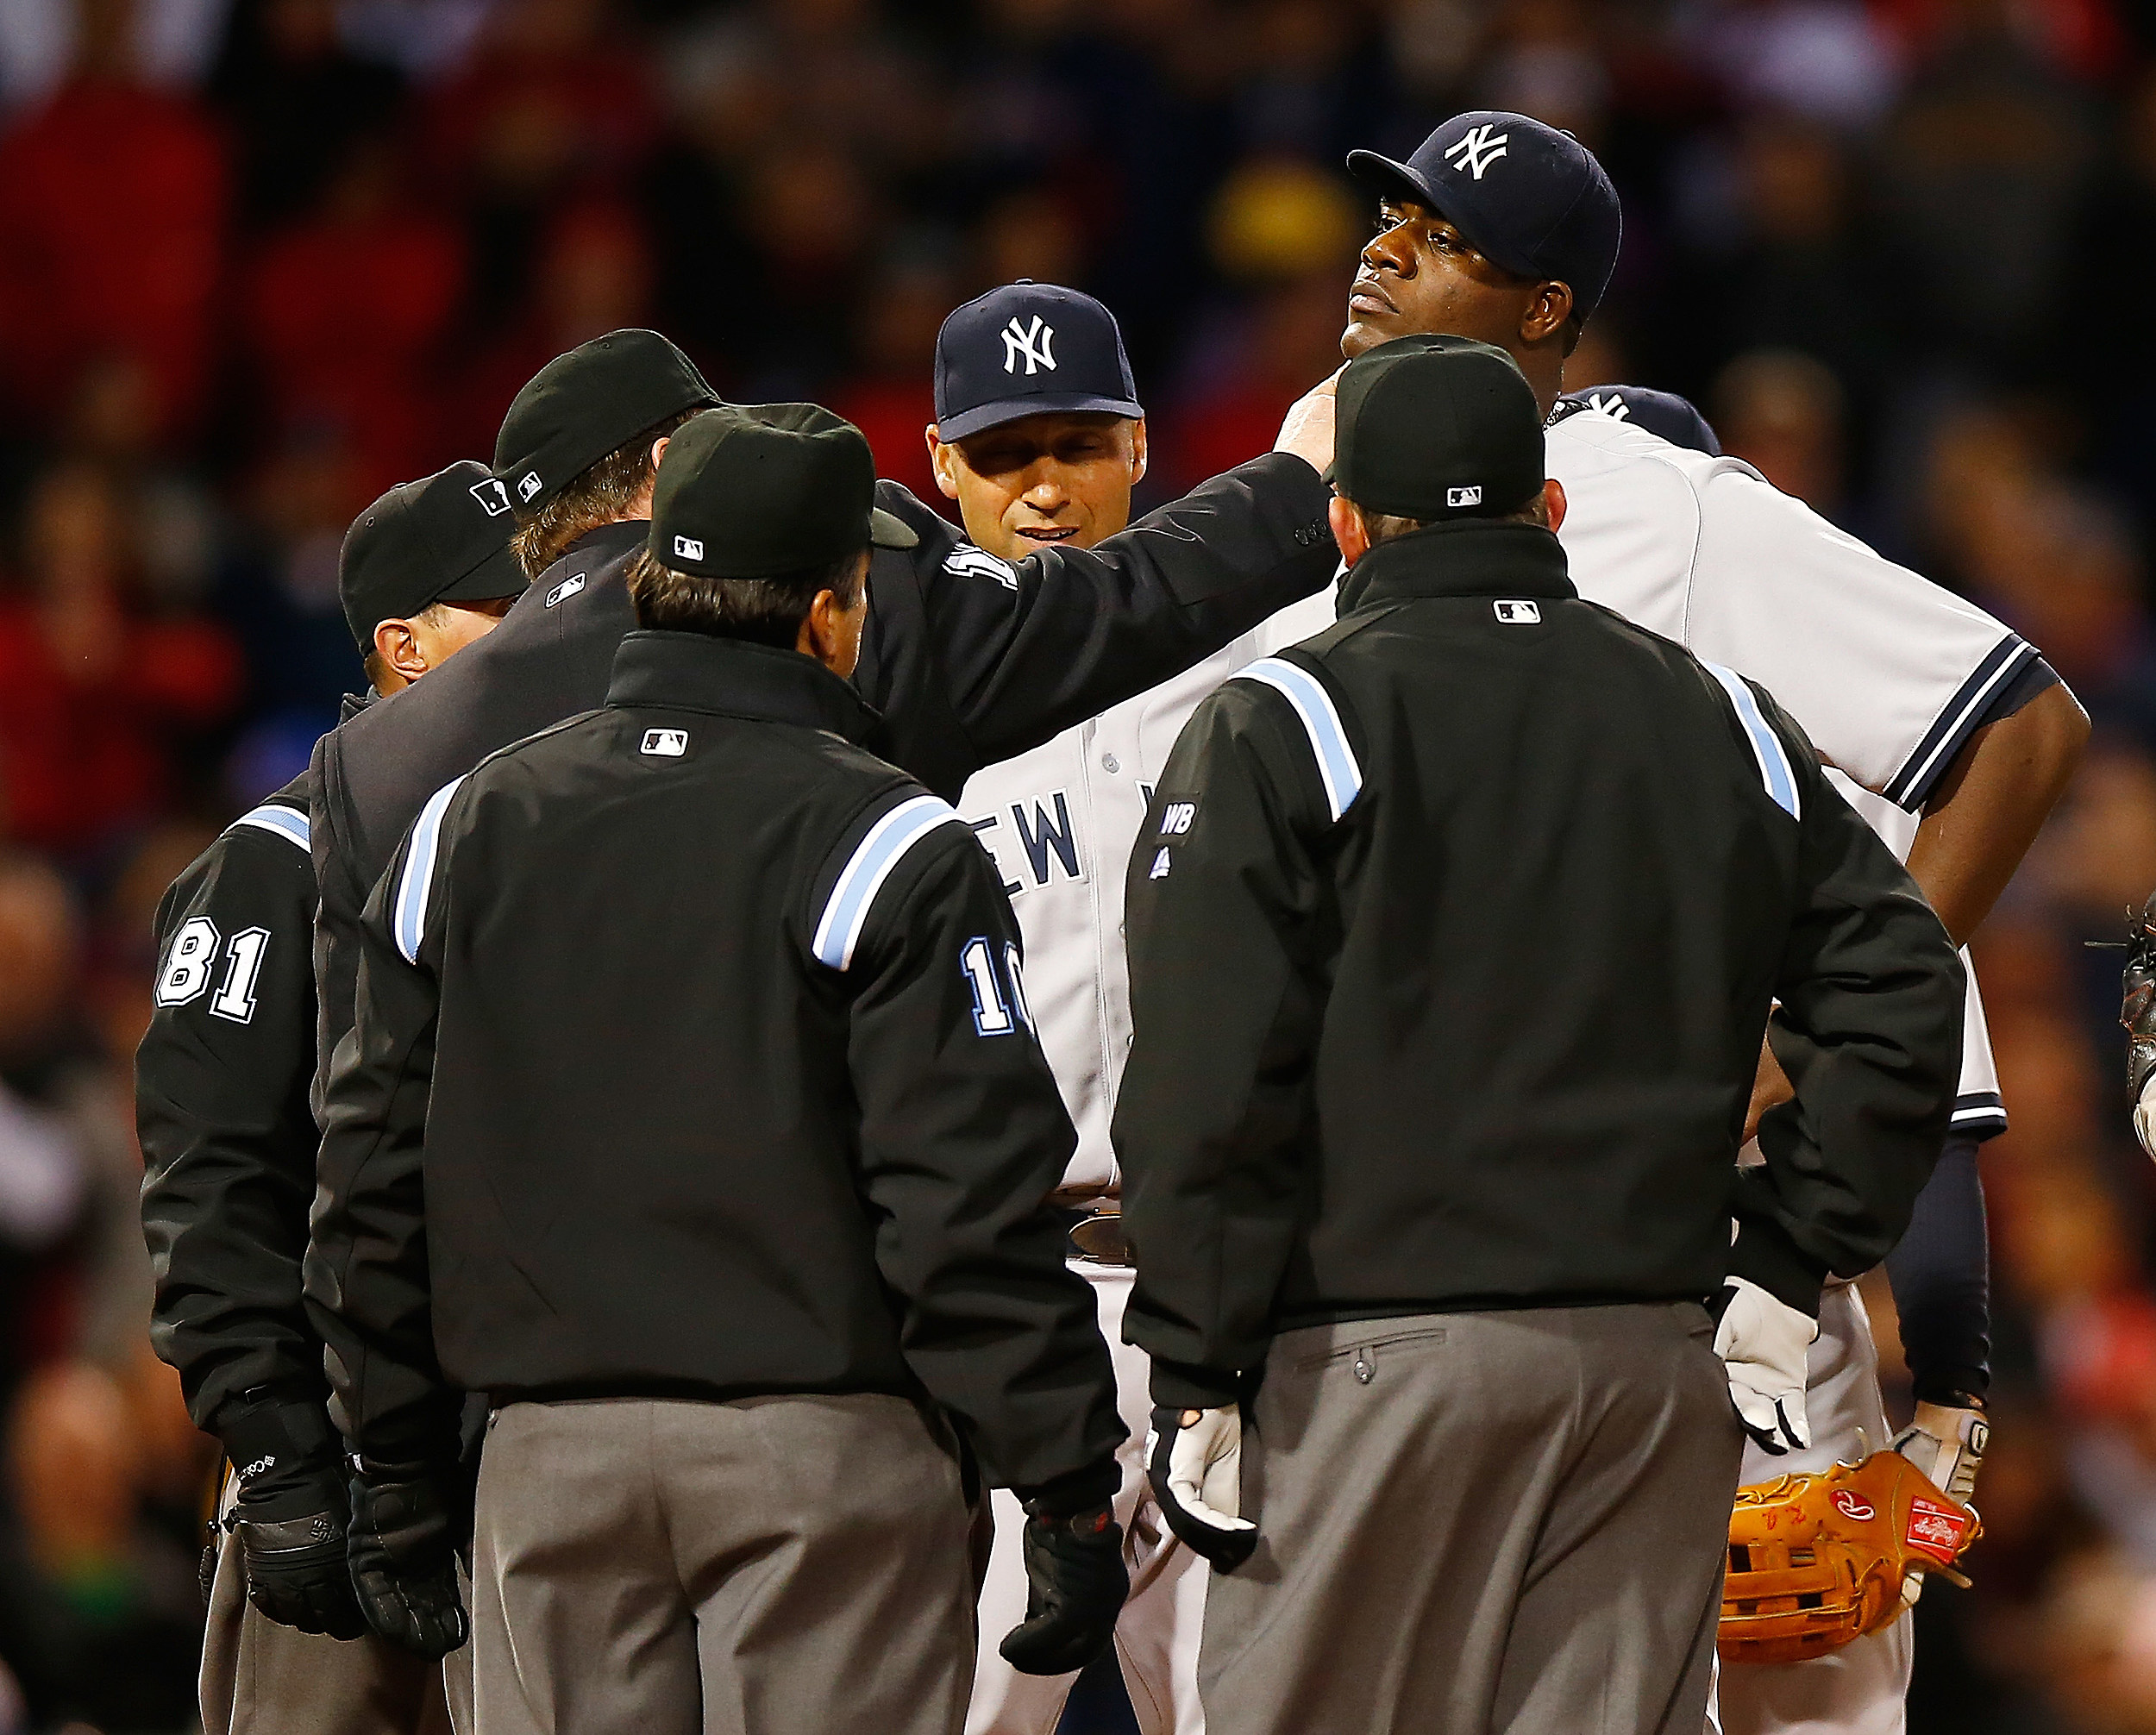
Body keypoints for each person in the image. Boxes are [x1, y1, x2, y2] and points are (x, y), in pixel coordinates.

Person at [1335, 110, 2086, 1733]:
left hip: (1702, 1283)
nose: (1382, 249)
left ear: (1548, 307)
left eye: (1439, 232)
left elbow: (2018, 725)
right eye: (1386, 217)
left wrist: (1822, 1027)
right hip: (1423, 1285)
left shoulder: (1659, 503)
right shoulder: (1304, 491)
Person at [1116, 333, 1966, 1735]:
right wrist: (1791, 1243)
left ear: (1342, 526)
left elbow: (1204, 1074)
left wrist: (1195, 1354)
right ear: (1551, 511)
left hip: (1376, 1362)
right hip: (1646, 1367)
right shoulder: (1721, 717)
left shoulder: (1290, 718)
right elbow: (1905, 978)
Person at [304, 404, 1131, 1733]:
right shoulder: (890, 835)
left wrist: (393, 1460)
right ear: (825, 615)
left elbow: (369, 1174)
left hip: (546, 1463)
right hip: (823, 1459)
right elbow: (963, 1201)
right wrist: (1063, 1470)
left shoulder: (470, 822)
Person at [307, 328, 1338, 1114]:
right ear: (673, 465)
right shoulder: (818, 600)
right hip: (798, 1303)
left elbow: (362, 1112)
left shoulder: (370, 765)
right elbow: (1089, 612)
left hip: (516, 1340)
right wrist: (1291, 483)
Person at [937, 282, 1332, 1735]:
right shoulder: (907, 704)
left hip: (1242, 1294)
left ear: (1141, 447)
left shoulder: (1269, 659)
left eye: (1077, 444)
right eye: (1003, 451)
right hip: (1007, 1292)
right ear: (939, 463)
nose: (1043, 485)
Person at [137, 460, 523, 1735]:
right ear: (405, 647)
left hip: (519, 1473)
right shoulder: (276, 859)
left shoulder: (556, 846)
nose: (552, 635)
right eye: (507, 610)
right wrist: (276, 1449)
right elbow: (208, 1180)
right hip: (342, 1473)